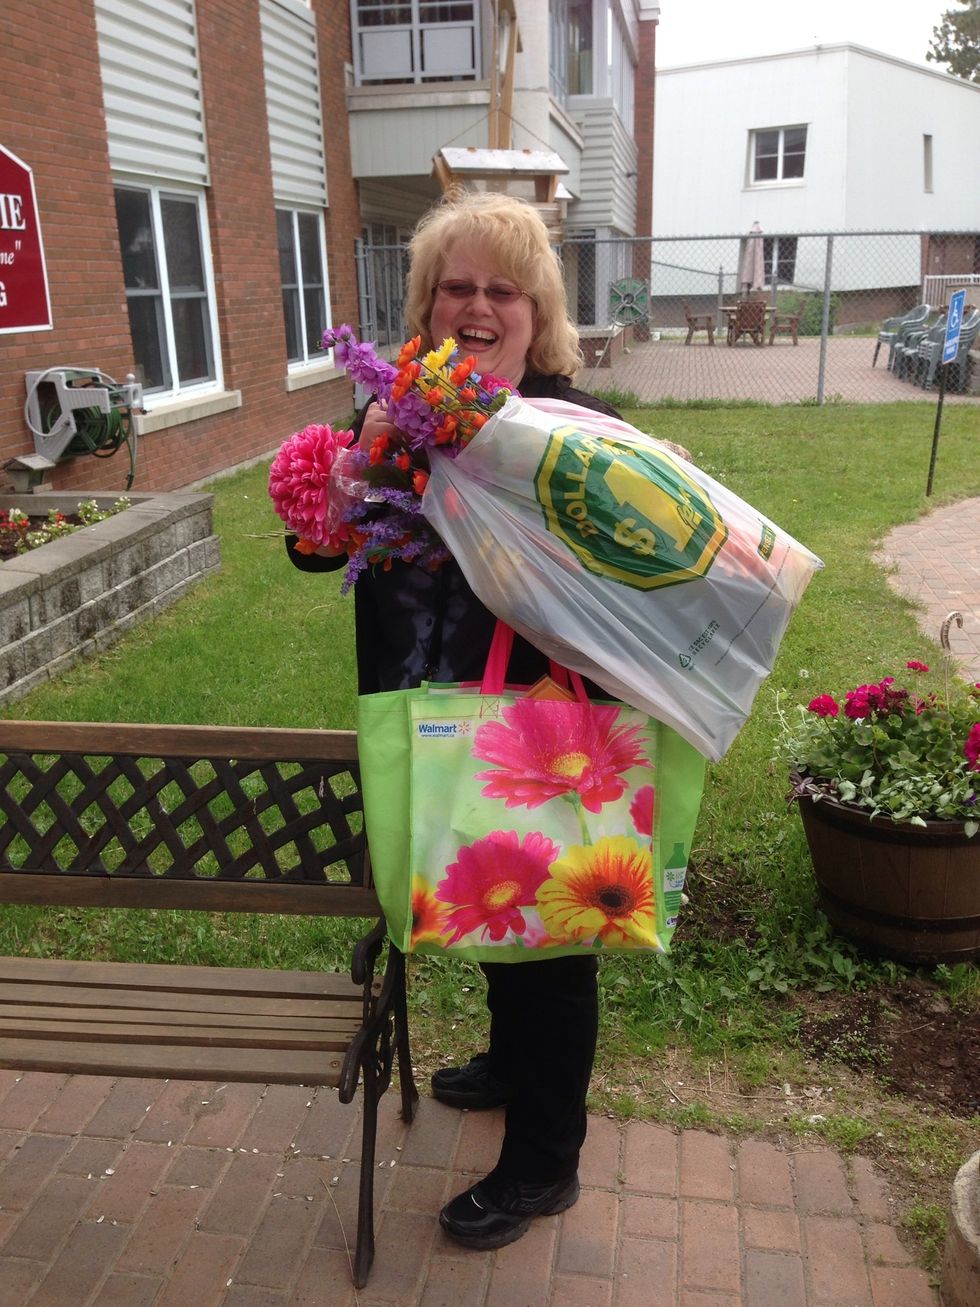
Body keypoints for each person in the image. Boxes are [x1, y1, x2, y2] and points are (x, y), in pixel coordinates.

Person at [288, 190, 667, 1251]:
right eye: (455, 284)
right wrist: (344, 472)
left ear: (537, 312)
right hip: (421, 706)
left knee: (550, 943)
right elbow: (314, 548)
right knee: (489, 901)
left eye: (502, 288)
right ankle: (508, 1069)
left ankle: (544, 1164)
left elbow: (633, 578)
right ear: (424, 303)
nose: (476, 304)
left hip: (543, 736)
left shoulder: (580, 431)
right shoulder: (389, 406)